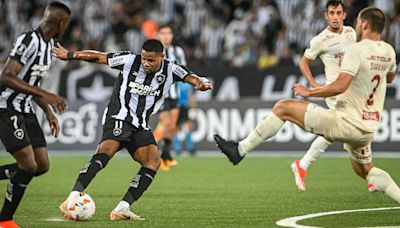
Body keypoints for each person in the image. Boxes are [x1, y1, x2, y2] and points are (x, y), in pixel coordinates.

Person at [215, 7, 400, 204]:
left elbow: (340, 85)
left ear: (364, 24)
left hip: (345, 122)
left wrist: (309, 91)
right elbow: (388, 78)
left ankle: (240, 150)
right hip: (367, 129)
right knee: (366, 171)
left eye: (357, 23)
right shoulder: (389, 51)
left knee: (283, 107)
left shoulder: (356, 48)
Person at [53, 39, 212, 221]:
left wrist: (200, 83)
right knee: (105, 153)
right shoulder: (129, 60)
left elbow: (191, 78)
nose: (145, 63)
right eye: (144, 58)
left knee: (153, 161)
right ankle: (72, 197)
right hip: (118, 117)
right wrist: (71, 55)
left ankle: (122, 208)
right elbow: (99, 57)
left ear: (162, 57)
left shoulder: (171, 69)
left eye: (151, 60)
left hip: (140, 124)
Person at [0, 2, 71, 228]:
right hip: (6, 107)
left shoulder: (48, 47)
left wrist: (48, 111)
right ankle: (5, 220)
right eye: (66, 24)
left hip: (26, 109)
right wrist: (46, 93)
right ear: (61, 23)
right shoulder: (28, 40)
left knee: (41, 165)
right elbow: (7, 76)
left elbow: (32, 84)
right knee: (28, 166)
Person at [291, 0, 374, 192]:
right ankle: (370, 176)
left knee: (345, 132)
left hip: (353, 92)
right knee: (350, 129)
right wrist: (314, 85)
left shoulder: (351, 33)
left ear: (344, 15)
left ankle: (302, 166)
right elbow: (303, 63)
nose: (335, 17)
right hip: (335, 92)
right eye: (331, 13)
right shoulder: (320, 39)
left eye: (338, 13)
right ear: (326, 15)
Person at [155, 24, 187, 171]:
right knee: (166, 124)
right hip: (159, 95)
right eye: (163, 33)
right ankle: (162, 155)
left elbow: (183, 70)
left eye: (168, 33)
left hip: (175, 93)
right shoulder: (154, 50)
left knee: (173, 126)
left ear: (172, 35)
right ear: (158, 35)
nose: (166, 36)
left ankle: (165, 154)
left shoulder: (178, 51)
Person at [173, 81, 197, 155]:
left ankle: (178, 147)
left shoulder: (176, 82)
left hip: (178, 106)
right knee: (186, 125)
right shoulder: (189, 83)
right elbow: (191, 96)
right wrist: (194, 106)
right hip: (182, 106)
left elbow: (191, 95)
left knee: (177, 126)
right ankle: (189, 147)